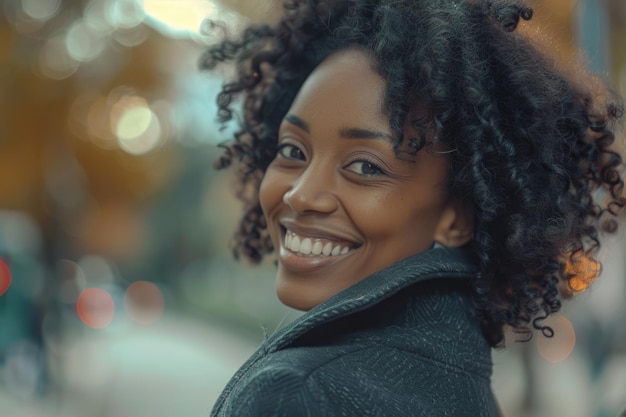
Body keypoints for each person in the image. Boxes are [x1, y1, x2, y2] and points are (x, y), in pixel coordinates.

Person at [201, 0, 625, 415]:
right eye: (292, 150)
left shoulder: (296, 393)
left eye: (365, 166)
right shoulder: (470, 392)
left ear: (456, 217)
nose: (300, 195)